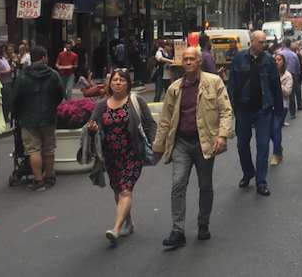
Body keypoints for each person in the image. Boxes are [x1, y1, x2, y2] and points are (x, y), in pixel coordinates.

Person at [153, 47, 233, 247]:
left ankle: (203, 224)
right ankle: (178, 231)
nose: (188, 62)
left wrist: (222, 135)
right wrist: (158, 146)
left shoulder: (214, 82)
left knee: (205, 185)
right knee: (178, 184)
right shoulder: (174, 89)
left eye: (192, 59)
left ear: (199, 61)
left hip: (204, 142)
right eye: (185, 59)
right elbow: (165, 120)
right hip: (181, 142)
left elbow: (225, 111)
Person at [88, 68, 156, 246]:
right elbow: (92, 124)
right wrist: (93, 128)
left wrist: (154, 144)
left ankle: (116, 229)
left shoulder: (135, 101)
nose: (118, 83)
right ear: (110, 84)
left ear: (128, 84)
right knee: (119, 190)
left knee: (125, 190)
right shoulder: (102, 105)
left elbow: (150, 123)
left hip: (133, 154)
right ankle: (129, 222)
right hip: (111, 156)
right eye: (115, 80)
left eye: (122, 80)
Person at [228, 30, 282, 196]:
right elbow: (232, 83)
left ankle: (261, 182)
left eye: (264, 42)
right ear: (252, 41)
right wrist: (230, 106)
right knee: (242, 144)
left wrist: (278, 108)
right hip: (243, 108)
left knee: (263, 145)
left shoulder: (269, 60)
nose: (263, 45)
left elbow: (275, 84)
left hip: (263, 109)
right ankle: (248, 172)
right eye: (260, 42)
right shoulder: (239, 58)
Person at [12, 46, 64, 191]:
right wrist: (51, 106)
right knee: (48, 149)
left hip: (29, 118)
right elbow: (60, 94)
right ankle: (49, 177)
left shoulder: (23, 77)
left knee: (33, 149)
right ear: (43, 58)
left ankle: (38, 180)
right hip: (48, 116)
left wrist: (18, 113)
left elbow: (15, 98)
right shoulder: (53, 75)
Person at [271, 53, 292, 166]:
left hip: (282, 106)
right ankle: (278, 146)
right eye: (275, 60)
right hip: (270, 105)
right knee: (269, 130)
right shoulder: (269, 74)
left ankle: (275, 155)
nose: (277, 62)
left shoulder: (287, 76)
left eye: (279, 60)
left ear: (283, 62)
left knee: (276, 128)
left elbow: (288, 92)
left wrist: (278, 84)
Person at [279, 38, 302, 119]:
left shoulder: (280, 54)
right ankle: (292, 112)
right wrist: (297, 75)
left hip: (281, 74)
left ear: (283, 45)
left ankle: (280, 109)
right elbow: (298, 67)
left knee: (280, 93)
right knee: (291, 93)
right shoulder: (294, 55)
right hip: (292, 75)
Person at [0, 44, 13, 121]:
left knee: (8, 100)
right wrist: (8, 71)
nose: (1, 50)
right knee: (5, 100)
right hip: (3, 82)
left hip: (9, 81)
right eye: (0, 48)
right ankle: (4, 117)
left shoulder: (2, 58)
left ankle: (6, 115)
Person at [292, 41, 302, 112]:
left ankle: (297, 104)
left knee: (297, 90)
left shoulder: (300, 53)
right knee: (296, 90)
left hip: (297, 73)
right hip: (295, 74)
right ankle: (295, 105)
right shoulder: (296, 55)